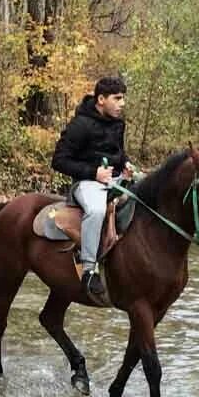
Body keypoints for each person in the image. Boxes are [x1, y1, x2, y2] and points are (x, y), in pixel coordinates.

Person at [51, 76, 132, 301]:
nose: (122, 104)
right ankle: (89, 270)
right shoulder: (80, 125)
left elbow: (118, 152)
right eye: (117, 99)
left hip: (114, 180)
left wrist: (125, 163)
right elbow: (58, 160)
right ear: (101, 99)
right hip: (86, 183)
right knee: (96, 211)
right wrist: (93, 173)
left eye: (123, 98)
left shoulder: (118, 123)